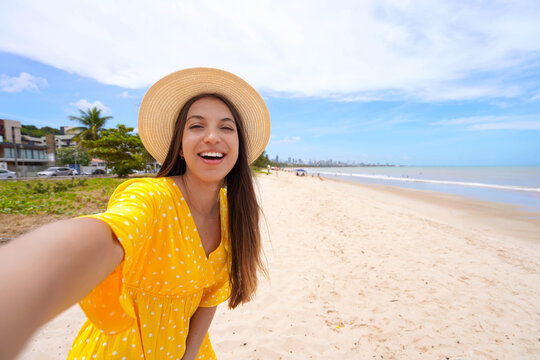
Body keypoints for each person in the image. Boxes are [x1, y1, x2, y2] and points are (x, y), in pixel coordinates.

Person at [0, 67, 271, 360]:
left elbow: (208, 299)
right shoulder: (151, 197)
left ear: (238, 146)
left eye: (226, 127)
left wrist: (188, 356)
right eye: (196, 126)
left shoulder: (234, 214)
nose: (212, 137)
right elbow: (108, 234)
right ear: (179, 147)